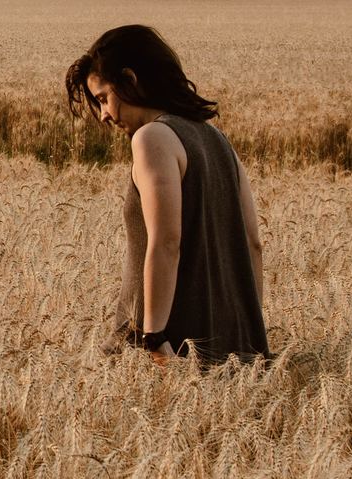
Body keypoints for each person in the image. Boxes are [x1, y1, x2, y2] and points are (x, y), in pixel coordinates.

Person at [65, 25, 269, 365]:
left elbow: (166, 241)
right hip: (235, 347)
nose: (103, 115)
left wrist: (155, 339)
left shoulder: (153, 138)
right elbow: (253, 243)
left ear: (129, 80)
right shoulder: (219, 141)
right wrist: (248, 336)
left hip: (168, 346)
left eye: (103, 98)